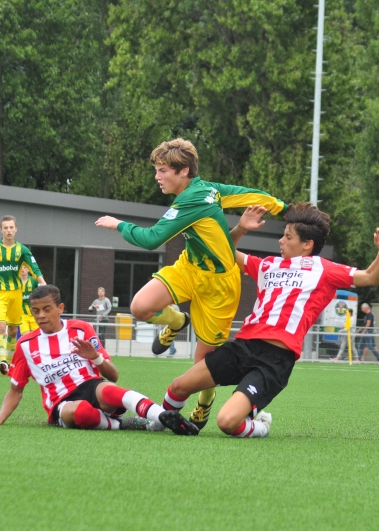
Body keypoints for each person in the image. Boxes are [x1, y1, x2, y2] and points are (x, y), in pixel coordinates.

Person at [95, 138, 288, 429]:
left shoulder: (192, 199)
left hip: (220, 288)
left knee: (204, 364)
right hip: (190, 267)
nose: (157, 177)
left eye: (162, 171)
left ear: (183, 171)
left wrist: (118, 224)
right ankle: (176, 321)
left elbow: (151, 240)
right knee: (139, 307)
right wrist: (281, 206)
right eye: (157, 170)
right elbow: (251, 195)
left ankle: (204, 405)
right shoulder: (207, 190)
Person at [157, 203, 379, 438]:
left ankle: (261, 426)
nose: (281, 241)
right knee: (179, 386)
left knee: (227, 422)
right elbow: (222, 253)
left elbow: (371, 276)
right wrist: (241, 228)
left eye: (288, 237)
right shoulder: (268, 265)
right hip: (243, 347)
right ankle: (155, 423)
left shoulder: (323, 269)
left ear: (307, 245)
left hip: (273, 361)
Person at [0, 285, 189, 434]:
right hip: (61, 403)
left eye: (47, 309)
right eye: (35, 311)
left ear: (60, 308)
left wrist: (95, 358)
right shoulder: (25, 344)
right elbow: (16, 389)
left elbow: (113, 375)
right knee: (81, 411)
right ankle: (124, 424)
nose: (41, 316)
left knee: (112, 390)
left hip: (91, 386)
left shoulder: (82, 329)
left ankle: (162, 417)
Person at [0, 216, 46, 376]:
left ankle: (8, 363)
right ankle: (2, 360)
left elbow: (34, 267)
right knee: (1, 327)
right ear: (1, 230)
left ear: (16, 229)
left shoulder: (22, 250)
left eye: (11, 227)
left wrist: (43, 282)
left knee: (13, 330)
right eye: (5, 228)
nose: (8, 230)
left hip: (16, 293)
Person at [19, 266, 39, 334]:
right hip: (22, 315)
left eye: (25, 267)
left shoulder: (34, 281)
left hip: (34, 314)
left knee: (36, 336)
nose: (22, 269)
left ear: (28, 269)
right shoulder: (15, 282)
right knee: (26, 336)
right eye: (21, 267)